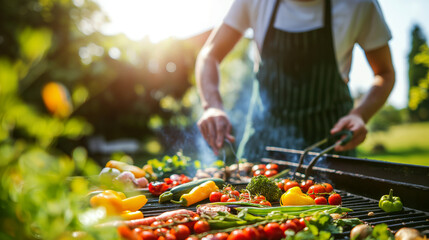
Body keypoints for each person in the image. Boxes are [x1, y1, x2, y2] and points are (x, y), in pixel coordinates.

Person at [196, 0, 395, 160]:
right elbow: (209, 54)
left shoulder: (359, 5)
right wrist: (212, 106)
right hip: (263, 145)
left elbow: (385, 73)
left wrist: (360, 114)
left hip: (329, 148)